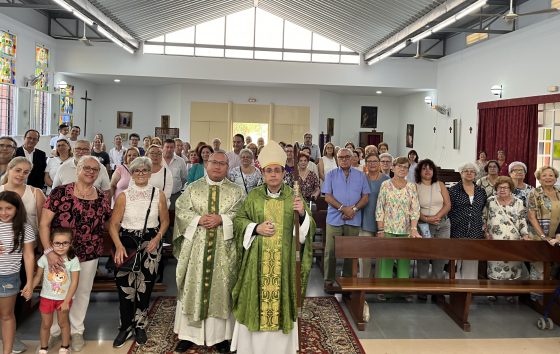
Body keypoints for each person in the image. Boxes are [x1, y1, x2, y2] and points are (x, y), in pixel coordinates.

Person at [231, 141, 315, 354]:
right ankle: (251, 348)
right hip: (256, 263)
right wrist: (256, 227)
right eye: (269, 171)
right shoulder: (254, 196)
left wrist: (303, 214)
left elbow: (308, 229)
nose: (273, 175)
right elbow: (239, 220)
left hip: (284, 261)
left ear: (283, 173)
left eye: (277, 170)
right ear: (263, 172)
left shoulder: (293, 197)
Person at [173, 152, 245, 353]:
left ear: (227, 167)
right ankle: (188, 335)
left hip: (224, 250)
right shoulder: (192, 188)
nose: (217, 167)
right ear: (206, 164)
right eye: (214, 162)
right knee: (193, 288)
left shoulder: (237, 191)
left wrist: (222, 219)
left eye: (222, 164)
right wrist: (198, 219)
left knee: (221, 289)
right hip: (196, 248)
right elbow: (181, 210)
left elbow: (241, 214)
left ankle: (221, 337)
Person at [39, 156, 111, 351]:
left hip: (90, 253)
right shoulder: (60, 192)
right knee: (55, 291)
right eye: (86, 168)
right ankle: (54, 331)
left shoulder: (101, 197)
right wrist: (48, 251)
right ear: (77, 169)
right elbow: (44, 224)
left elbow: (108, 222)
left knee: (82, 292)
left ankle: (76, 331)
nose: (90, 172)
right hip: (60, 253)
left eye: (95, 169)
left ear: (99, 173)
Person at [109, 157, 169, 347]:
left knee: (145, 287)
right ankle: (125, 326)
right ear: (131, 174)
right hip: (126, 243)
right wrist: (118, 245)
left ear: (150, 173)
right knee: (125, 288)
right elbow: (114, 225)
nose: (141, 173)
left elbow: (165, 221)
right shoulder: (123, 196)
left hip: (151, 243)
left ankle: (140, 325)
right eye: (137, 171)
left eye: (145, 170)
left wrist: (157, 238)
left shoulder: (158, 194)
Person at [24, 228, 80, 354]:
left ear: (70, 243)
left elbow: (75, 282)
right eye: (57, 243)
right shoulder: (45, 258)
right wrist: (30, 288)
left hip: (63, 299)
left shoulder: (73, 260)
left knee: (63, 323)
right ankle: (44, 347)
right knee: (45, 324)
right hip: (46, 297)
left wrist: (66, 301)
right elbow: (38, 276)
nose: (61, 246)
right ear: (51, 243)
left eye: (65, 243)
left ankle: (65, 347)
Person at [322, 148, 369, 290]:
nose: (343, 159)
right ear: (337, 159)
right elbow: (327, 196)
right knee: (330, 251)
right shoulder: (331, 175)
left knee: (351, 251)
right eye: (340, 157)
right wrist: (343, 208)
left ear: (352, 158)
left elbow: (365, 197)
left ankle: (348, 280)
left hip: (354, 218)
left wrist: (353, 210)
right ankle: (328, 280)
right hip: (334, 218)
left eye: (347, 157)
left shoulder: (361, 176)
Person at [376, 156, 420, 301]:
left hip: (405, 229)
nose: (402, 169)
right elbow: (380, 208)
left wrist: (414, 229)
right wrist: (380, 229)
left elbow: (415, 209)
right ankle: (383, 289)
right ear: (393, 168)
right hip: (388, 228)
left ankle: (404, 289)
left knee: (404, 261)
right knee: (386, 260)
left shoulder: (411, 186)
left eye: (405, 167)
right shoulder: (385, 185)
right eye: (399, 166)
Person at [0, 191, 34, 354]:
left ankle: (7, 351)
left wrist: (29, 281)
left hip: (9, 277)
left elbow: (28, 255)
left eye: (8, 208)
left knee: (7, 316)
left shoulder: (24, 228)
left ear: (17, 209)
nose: (3, 213)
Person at [484, 176, 528, 302]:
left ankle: (510, 293)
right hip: (494, 240)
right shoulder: (490, 201)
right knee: (494, 266)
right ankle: (493, 292)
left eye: (505, 187)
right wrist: (486, 233)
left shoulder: (519, 202)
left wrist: (525, 234)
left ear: (510, 189)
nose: (502, 190)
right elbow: (484, 218)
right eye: (499, 187)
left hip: (513, 241)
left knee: (513, 267)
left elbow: (522, 220)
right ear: (496, 188)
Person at [415, 159, 451, 285]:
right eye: (424, 168)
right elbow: (412, 207)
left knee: (440, 255)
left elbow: (447, 204)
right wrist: (426, 218)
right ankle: (422, 286)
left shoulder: (440, 184)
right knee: (424, 255)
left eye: (430, 168)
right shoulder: (415, 186)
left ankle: (438, 285)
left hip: (442, 224)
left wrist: (437, 216)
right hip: (424, 224)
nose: (427, 171)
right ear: (419, 171)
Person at [448, 162, 487, 279]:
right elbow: (449, 209)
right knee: (455, 263)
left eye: (472, 171)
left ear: (475, 174)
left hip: (475, 230)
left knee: (471, 263)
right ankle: (455, 291)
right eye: (466, 171)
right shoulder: (453, 190)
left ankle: (468, 291)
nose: (469, 173)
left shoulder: (481, 191)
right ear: (461, 173)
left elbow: (482, 209)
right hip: (456, 229)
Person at [527, 166, 560, 280]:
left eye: (551, 175)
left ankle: (551, 297)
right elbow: (531, 217)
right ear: (539, 179)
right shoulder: (534, 193)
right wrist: (543, 236)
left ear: (555, 178)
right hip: (539, 236)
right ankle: (536, 297)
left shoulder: (559, 192)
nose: (548, 178)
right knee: (539, 268)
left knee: (555, 268)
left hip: (558, 237)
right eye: (544, 175)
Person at [359, 153, 389, 278]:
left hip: (382, 223)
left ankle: (379, 286)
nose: (372, 163)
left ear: (379, 163)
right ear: (366, 164)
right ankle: (363, 285)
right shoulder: (361, 178)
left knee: (380, 256)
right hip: (365, 221)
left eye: (375, 161)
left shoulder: (386, 180)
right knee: (364, 256)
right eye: (369, 161)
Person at [0, 157, 45, 235]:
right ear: (9, 169)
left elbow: (43, 223)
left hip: (32, 242)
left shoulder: (36, 193)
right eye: (18, 170)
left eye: (25, 172)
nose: (21, 174)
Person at [162, 139, 187, 210]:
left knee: (173, 218)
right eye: (167, 147)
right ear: (162, 148)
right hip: (160, 196)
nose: (169, 149)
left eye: (171, 147)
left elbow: (184, 178)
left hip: (175, 196)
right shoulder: (158, 160)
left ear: (174, 148)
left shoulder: (181, 161)